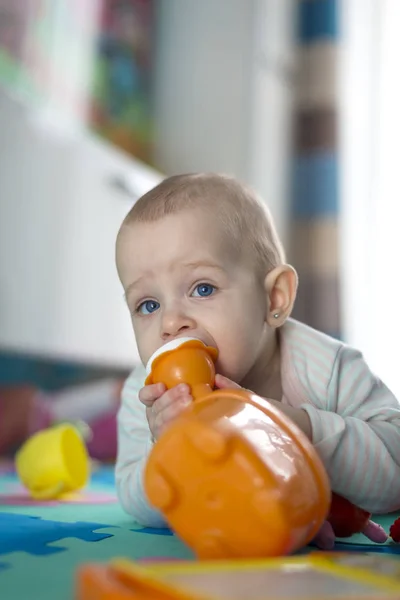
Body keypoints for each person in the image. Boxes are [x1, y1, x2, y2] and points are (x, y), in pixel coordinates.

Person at [115, 172, 400, 544]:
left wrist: (302, 429)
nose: (170, 323)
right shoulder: (148, 396)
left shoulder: (330, 369)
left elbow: (394, 475)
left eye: (202, 288)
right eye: (148, 305)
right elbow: (136, 504)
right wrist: (169, 449)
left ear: (274, 298)